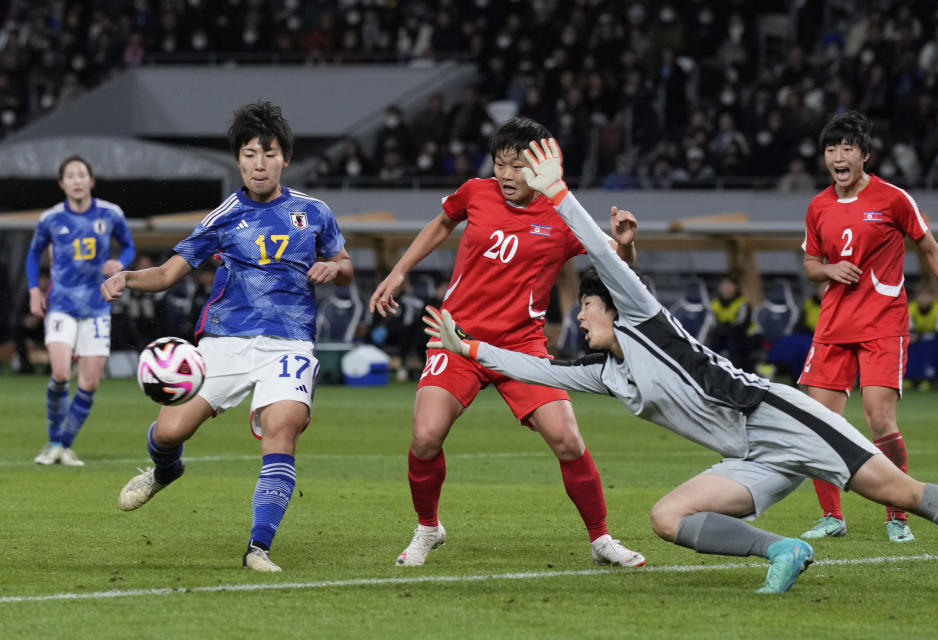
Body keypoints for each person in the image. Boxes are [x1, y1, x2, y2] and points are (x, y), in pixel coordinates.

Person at [424, 137, 938, 593]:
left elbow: (601, 253)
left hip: (779, 418)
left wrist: (557, 193)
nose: (580, 320)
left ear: (610, 305)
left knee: (899, 493)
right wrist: (468, 348)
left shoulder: (641, 317)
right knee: (666, 518)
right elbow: (537, 369)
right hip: (750, 454)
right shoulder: (606, 373)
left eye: (586, 308)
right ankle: (785, 551)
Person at [369, 117, 644, 568]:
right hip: (457, 338)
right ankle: (427, 529)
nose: (507, 175)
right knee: (425, 436)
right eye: (501, 164)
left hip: (522, 347)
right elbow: (442, 222)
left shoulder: (561, 213)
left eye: (517, 166)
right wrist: (399, 271)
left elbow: (615, 261)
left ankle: (601, 540)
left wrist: (627, 245)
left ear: (540, 167)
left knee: (568, 440)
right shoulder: (476, 192)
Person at [100, 101, 353, 572]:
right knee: (171, 430)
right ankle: (166, 469)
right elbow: (169, 272)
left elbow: (345, 266)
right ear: (238, 159)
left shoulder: (314, 213)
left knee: (282, 429)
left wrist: (333, 267)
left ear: (285, 159)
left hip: (290, 344)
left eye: (269, 153)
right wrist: (128, 278)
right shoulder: (223, 216)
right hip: (225, 342)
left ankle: (258, 548)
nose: (260, 163)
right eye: (250, 154)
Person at [797, 111, 938, 543]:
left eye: (847, 148)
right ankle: (832, 517)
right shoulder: (818, 206)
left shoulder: (893, 199)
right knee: (819, 423)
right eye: (832, 149)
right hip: (833, 324)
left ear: (865, 155)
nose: (838, 156)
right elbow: (810, 264)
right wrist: (829, 270)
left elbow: (930, 249)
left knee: (879, 421)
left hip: (882, 324)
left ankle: (897, 516)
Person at [26, 154, 136, 466]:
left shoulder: (111, 214)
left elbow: (127, 246)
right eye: (70, 176)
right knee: (60, 373)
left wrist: (120, 264)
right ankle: (53, 442)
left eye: (81, 174)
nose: (76, 180)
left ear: (91, 180)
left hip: (98, 306)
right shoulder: (51, 218)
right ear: (62, 184)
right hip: (61, 304)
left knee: (89, 383)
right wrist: (35, 290)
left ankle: (64, 446)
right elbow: (33, 255)